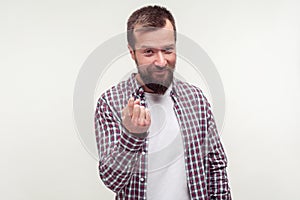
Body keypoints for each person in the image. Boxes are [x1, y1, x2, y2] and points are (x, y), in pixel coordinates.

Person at [95, 5, 231, 200]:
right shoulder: (110, 103)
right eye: (149, 52)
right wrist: (132, 136)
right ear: (132, 52)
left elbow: (215, 166)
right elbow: (112, 181)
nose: (160, 61)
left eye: (167, 50)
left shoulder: (196, 99)